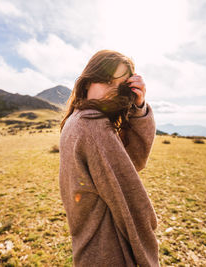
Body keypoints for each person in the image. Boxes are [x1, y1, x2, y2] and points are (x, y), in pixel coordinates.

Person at [59, 49, 159, 266]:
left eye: (121, 85)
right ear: (87, 83)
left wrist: (138, 108)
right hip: (112, 251)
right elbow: (132, 204)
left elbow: (129, 162)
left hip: (90, 248)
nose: (113, 90)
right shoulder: (93, 127)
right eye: (106, 81)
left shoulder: (76, 119)